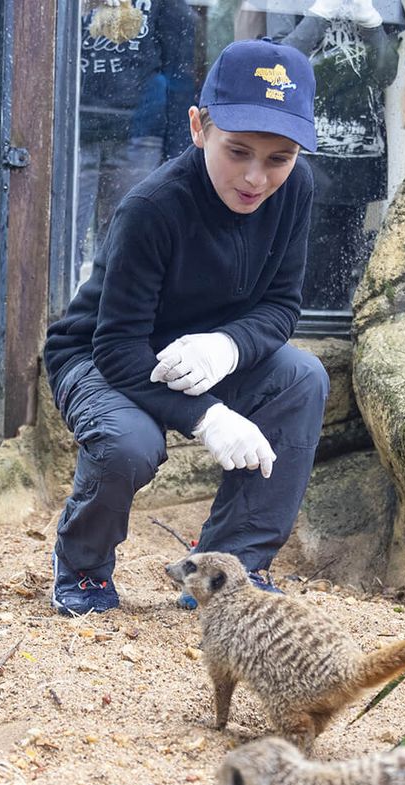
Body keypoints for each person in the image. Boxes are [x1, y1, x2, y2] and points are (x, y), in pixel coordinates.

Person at [41, 37, 327, 615]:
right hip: (105, 360)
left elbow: (281, 305)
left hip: (206, 355)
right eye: (238, 151)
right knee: (129, 444)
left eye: (279, 158)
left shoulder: (295, 190)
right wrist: (209, 416)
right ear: (199, 127)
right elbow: (116, 345)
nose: (256, 177)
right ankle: (84, 566)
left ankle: (231, 569)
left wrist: (228, 345)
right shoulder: (153, 208)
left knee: (303, 378)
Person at [270, 0, 402, 311]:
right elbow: (280, 64)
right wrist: (320, 13)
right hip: (302, 155)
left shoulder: (383, 3)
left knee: (343, 260)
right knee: (302, 260)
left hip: (360, 156)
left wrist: (370, 21)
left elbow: (385, 74)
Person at [75, 0, 197, 272]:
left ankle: (111, 310)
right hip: (74, 132)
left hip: (139, 133)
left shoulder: (165, 6)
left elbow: (178, 73)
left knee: (125, 237)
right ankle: (67, 312)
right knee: (62, 232)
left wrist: (178, 154)